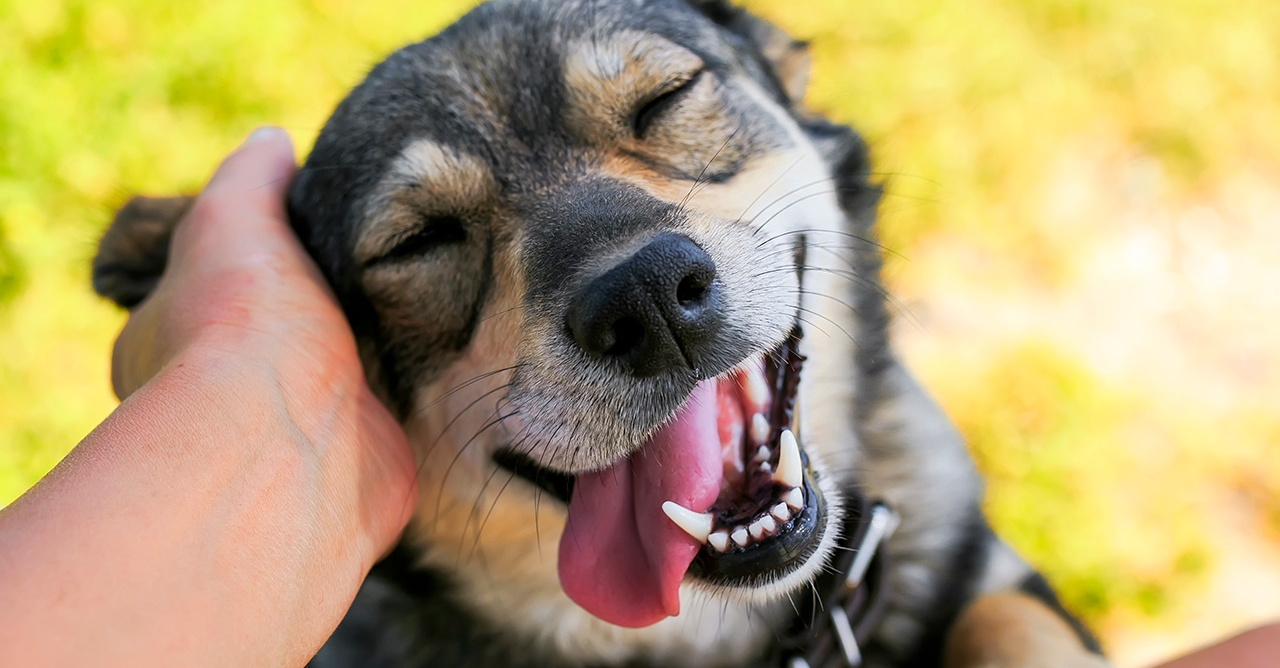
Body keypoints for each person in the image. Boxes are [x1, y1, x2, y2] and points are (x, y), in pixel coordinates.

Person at [0, 129, 1272, 667]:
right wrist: (246, 372)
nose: (636, 274)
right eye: (424, 238)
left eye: (662, 108)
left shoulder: (912, 484)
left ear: (794, 106)